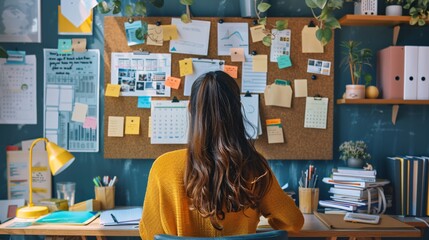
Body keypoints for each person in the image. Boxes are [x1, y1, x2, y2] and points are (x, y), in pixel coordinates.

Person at [139, 71, 304, 239]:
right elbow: (293, 222)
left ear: (190, 109)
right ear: (238, 110)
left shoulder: (163, 166)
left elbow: (149, 234)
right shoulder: (254, 166)